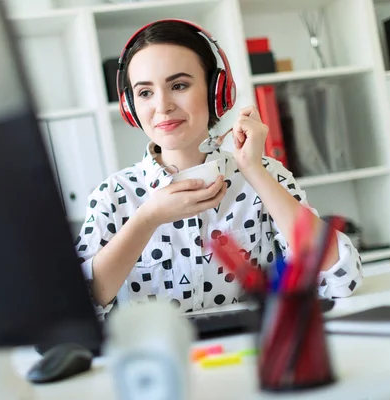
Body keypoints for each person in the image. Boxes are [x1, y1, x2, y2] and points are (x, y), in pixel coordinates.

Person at [74, 19, 362, 320]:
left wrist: (253, 170)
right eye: (145, 93)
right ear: (129, 106)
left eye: (179, 85)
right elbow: (79, 308)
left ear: (217, 91)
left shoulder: (264, 175)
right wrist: (148, 218)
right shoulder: (112, 196)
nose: (163, 106)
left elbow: (341, 280)